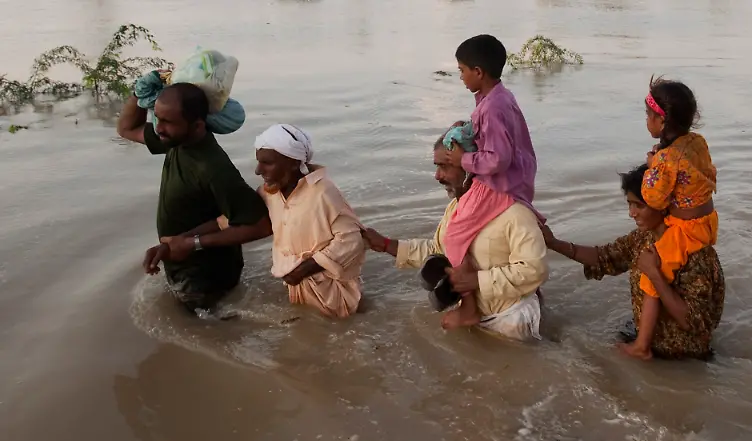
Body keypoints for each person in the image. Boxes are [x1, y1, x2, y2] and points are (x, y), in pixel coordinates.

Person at [360, 133, 547, 340]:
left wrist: (476, 280)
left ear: (471, 168)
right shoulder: (458, 209)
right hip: (477, 318)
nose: (437, 176)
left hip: (513, 323)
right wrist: (386, 244)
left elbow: (533, 270)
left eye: (444, 167)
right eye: (436, 166)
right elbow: (439, 252)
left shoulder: (514, 212)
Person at [117, 81, 271, 314]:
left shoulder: (213, 168)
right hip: (186, 267)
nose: (159, 128)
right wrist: (138, 93)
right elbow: (126, 129)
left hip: (206, 280)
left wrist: (192, 243)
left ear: (198, 125)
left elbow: (261, 225)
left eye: (167, 121)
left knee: (209, 332)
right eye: (157, 118)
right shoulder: (174, 140)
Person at [541, 164, 724, 360]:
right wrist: (554, 243)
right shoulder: (643, 238)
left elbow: (694, 322)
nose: (632, 213)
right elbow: (604, 257)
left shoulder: (696, 253)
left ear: (662, 205)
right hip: (650, 344)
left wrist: (655, 275)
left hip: (684, 357)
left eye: (639, 205)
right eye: (630, 204)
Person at [434, 34, 542, 329]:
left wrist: (462, 160)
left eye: (461, 71)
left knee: (455, 234)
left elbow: (498, 159)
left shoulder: (492, 107)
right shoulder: (498, 98)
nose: (460, 77)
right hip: (516, 177)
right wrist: (466, 129)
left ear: (478, 72)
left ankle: (469, 307)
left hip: (501, 181)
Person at [620, 77, 718, 360]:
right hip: (707, 221)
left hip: (685, 230)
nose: (647, 121)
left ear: (661, 121)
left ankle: (642, 347)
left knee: (651, 277)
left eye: (648, 116)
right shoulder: (697, 142)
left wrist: (653, 167)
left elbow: (654, 198)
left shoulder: (666, 159)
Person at [254, 124, 366, 318]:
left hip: (331, 294)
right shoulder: (268, 194)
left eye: (267, 163)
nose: (258, 170)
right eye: (258, 162)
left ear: (293, 163)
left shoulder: (323, 192)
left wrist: (303, 270)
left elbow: (353, 240)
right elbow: (237, 221)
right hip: (295, 287)